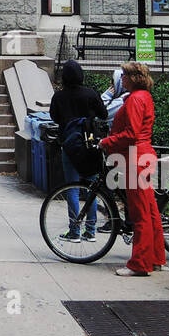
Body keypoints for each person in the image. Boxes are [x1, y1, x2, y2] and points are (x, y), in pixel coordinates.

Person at [100, 61, 166, 276]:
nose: (122, 79)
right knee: (150, 211)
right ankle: (155, 258)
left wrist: (106, 142)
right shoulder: (143, 97)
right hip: (142, 156)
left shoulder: (136, 99)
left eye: (124, 76)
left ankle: (139, 264)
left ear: (132, 78)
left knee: (140, 214)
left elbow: (131, 134)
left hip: (135, 158)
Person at [50, 60, 108, 243]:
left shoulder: (59, 97)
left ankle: (74, 230)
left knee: (72, 189)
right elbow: (104, 114)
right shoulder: (90, 93)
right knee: (92, 187)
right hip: (90, 144)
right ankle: (90, 230)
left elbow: (54, 117)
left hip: (69, 145)